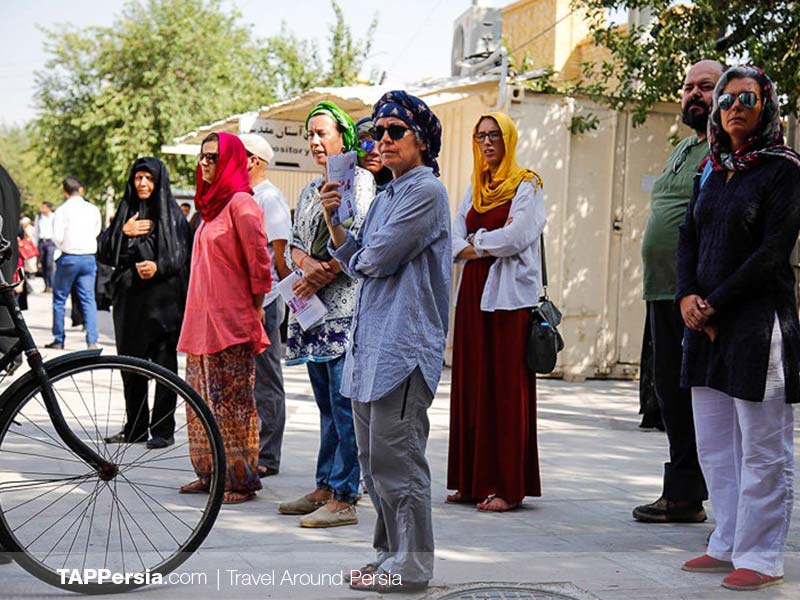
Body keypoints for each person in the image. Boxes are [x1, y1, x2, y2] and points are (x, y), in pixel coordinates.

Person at [676, 66, 800, 591]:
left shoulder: (784, 169)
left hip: (757, 324)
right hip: (703, 322)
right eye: (725, 98)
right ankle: (725, 541)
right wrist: (686, 295)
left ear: (766, 104)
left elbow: (773, 251)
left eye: (746, 97)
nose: (732, 106)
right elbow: (688, 235)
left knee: (764, 445)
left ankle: (762, 553)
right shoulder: (712, 166)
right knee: (715, 444)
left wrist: (715, 304)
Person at [324, 90, 450, 593]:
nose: (383, 140)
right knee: (375, 469)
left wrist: (356, 248)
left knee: (399, 466)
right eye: (378, 132)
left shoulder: (426, 192)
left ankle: (413, 566)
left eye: (395, 131)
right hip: (371, 347)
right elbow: (354, 254)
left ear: (420, 140)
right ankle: (388, 555)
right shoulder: (386, 194)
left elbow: (374, 259)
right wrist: (335, 219)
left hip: (403, 350)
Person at [634, 60, 724, 523]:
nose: (693, 95)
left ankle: (697, 495)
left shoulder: (725, 152)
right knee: (668, 392)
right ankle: (682, 492)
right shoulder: (684, 148)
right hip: (661, 292)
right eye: (688, 87)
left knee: (697, 396)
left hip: (696, 296)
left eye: (705, 87)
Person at [277, 101, 374, 528]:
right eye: (310, 135)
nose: (316, 142)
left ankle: (345, 495)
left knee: (345, 403)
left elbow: (362, 238)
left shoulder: (363, 182)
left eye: (323, 133)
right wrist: (304, 264)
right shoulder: (308, 189)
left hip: (347, 311)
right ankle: (324, 484)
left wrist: (325, 271)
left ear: (343, 137)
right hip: (314, 316)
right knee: (325, 404)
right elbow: (292, 243)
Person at [447, 112, 545, 512]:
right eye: (480, 135)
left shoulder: (527, 184)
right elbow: (451, 237)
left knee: (504, 391)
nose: (487, 143)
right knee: (471, 386)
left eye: (494, 136)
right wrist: (474, 245)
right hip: (473, 294)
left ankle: (506, 484)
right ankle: (471, 481)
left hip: (507, 300)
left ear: (509, 140)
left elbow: (519, 236)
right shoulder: (475, 186)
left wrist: (476, 244)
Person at [177, 132, 272, 504]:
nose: (205, 163)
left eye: (213, 158)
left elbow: (260, 263)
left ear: (231, 159)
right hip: (201, 321)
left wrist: (257, 307)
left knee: (233, 404)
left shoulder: (242, 205)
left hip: (231, 321)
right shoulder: (210, 207)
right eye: (202, 157)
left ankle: (240, 479)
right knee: (200, 400)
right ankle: (211, 473)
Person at [97, 157, 191, 449]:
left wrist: (158, 267)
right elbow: (103, 251)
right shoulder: (126, 213)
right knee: (131, 365)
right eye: (138, 178)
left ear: (159, 181)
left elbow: (181, 255)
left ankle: (162, 429)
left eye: (148, 179)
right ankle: (135, 427)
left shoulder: (173, 216)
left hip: (164, 303)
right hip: (131, 303)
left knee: (164, 366)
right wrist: (124, 234)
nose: (143, 184)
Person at [239, 133, 292, 478]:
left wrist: (282, 297)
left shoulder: (269, 198)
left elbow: (279, 255)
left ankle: (269, 455)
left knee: (267, 378)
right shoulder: (243, 196)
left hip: (267, 301)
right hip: (244, 301)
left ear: (254, 160)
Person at [45, 176, 101, 350]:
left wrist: (66, 246)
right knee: (88, 299)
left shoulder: (62, 211)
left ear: (64, 191)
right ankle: (92, 340)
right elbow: (96, 231)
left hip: (69, 258)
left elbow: (57, 237)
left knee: (60, 299)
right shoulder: (93, 209)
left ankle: (59, 338)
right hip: (89, 257)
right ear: (81, 189)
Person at [355, 117, 392, 193]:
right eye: (367, 144)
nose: (375, 152)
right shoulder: (340, 188)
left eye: (381, 145)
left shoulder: (399, 191)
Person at [35, 201, 56, 292]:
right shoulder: (39, 217)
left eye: (44, 207)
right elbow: (36, 231)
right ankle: (46, 285)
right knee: (42, 265)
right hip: (41, 242)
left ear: (49, 208)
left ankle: (51, 285)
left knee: (49, 264)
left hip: (51, 242)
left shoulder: (54, 217)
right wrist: (36, 245)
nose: (42, 209)